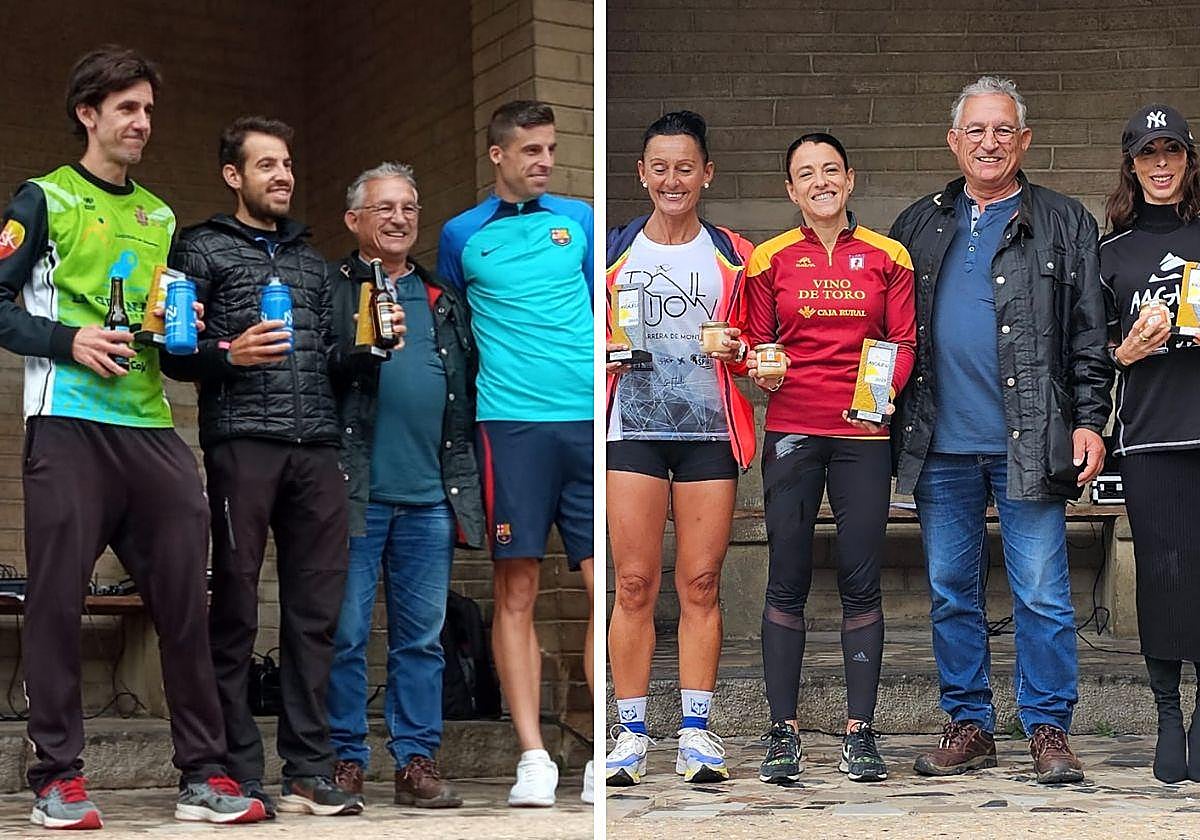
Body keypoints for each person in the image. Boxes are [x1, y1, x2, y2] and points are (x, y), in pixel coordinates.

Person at [0, 46, 266, 828]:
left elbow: (165, 342)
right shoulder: (42, 200)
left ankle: (204, 775)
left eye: (148, 110)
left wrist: (210, 345)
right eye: (127, 108)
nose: (142, 123)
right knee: (54, 601)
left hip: (150, 429)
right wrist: (68, 340)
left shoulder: (160, 215)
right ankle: (58, 776)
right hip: (67, 425)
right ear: (89, 114)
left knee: (188, 601)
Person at [889, 76, 1112, 784]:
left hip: (1032, 437)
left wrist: (1089, 421)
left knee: (1042, 592)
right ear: (954, 142)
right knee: (953, 589)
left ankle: (1048, 728)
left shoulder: (1064, 220)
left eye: (1003, 130)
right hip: (939, 442)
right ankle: (970, 725)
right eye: (976, 131)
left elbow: (1089, 334)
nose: (990, 142)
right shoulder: (917, 224)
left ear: (1024, 140)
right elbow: (887, 335)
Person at [161, 116, 362, 817]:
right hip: (241, 443)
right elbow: (172, 351)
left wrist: (367, 351)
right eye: (266, 165)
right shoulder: (200, 249)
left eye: (287, 164)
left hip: (317, 450)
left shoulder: (313, 261)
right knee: (237, 609)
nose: (282, 176)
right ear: (233, 175)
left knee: (315, 615)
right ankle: (236, 767)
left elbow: (334, 356)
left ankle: (307, 767)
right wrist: (228, 354)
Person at [743, 132, 915, 785]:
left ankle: (859, 733)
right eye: (805, 174)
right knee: (786, 575)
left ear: (848, 178)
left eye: (830, 170)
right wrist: (760, 364)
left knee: (860, 579)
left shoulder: (887, 255)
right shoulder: (770, 259)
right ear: (791, 190)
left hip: (863, 437)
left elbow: (902, 341)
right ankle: (781, 732)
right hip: (792, 429)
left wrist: (881, 394)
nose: (820, 181)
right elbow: (759, 341)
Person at [437, 100, 594, 807]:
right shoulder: (461, 236)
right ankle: (533, 756)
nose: (544, 161)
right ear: (497, 154)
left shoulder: (580, 220)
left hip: (589, 422)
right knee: (516, 592)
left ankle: (606, 747)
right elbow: (455, 333)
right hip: (510, 428)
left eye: (550, 149)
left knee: (609, 589)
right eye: (530, 150)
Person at [604, 111, 756, 787]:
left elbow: (760, 348)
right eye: (659, 167)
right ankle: (629, 735)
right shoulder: (611, 256)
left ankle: (697, 732)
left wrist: (748, 354)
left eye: (685, 167)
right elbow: (579, 341)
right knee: (634, 584)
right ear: (642, 174)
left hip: (707, 434)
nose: (673, 179)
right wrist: (599, 354)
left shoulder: (736, 254)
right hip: (631, 431)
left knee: (699, 583)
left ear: (707, 174)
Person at [325, 162, 483, 806]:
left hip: (430, 497)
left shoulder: (441, 297)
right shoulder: (331, 289)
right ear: (354, 219)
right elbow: (315, 375)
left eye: (409, 208)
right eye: (384, 207)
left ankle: (416, 762)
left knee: (422, 639)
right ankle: (343, 759)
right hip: (353, 492)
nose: (398, 219)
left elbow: (468, 391)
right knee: (346, 633)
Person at [1098, 103, 1200, 784]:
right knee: (1164, 580)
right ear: (1132, 169)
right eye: (1147, 155)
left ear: (1190, 161)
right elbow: (1091, 349)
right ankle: (1168, 713)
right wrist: (1124, 351)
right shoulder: (1110, 254)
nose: (1161, 165)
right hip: (1151, 439)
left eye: (1173, 152)